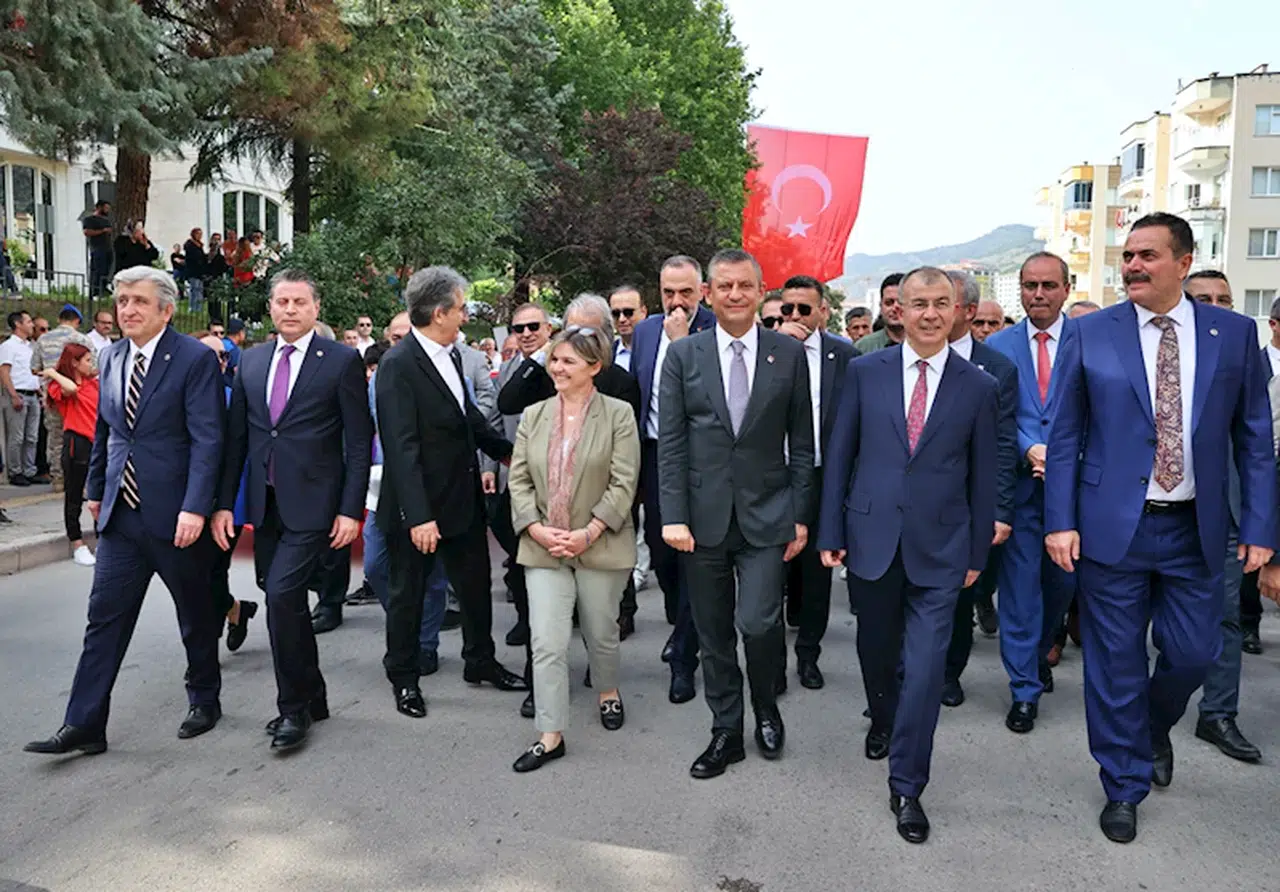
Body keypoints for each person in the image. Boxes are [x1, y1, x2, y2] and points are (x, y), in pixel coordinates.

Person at [1045, 212, 1276, 844]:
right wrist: (1059, 521)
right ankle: (1123, 783)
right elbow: (1064, 436)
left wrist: (1260, 525)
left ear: (1183, 260)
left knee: (1194, 652)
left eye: (1147, 254)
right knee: (1115, 662)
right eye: (1127, 256)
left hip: (1196, 529)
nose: (1133, 267)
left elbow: (1253, 438)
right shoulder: (1092, 334)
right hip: (1111, 528)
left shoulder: (1233, 334)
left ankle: (1150, 729)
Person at [817, 266, 997, 844]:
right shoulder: (865, 373)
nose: (928, 313)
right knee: (877, 652)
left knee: (923, 670)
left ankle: (908, 784)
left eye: (940, 303)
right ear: (899, 308)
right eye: (917, 302)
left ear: (958, 310)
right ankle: (885, 718)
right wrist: (830, 531)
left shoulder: (979, 386)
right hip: (870, 540)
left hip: (941, 548)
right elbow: (840, 455)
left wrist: (975, 550)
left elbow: (983, 477)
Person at [23, 266, 226, 756]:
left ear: (166, 309)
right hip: (121, 516)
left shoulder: (194, 359)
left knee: (195, 614)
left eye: (138, 301)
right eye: (122, 300)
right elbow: (107, 431)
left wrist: (197, 507)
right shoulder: (109, 357)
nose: (127, 310)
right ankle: (85, 724)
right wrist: (96, 487)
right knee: (103, 619)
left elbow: (207, 438)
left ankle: (204, 698)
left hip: (177, 515)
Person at [659, 248, 814, 780]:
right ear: (708, 292)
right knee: (713, 632)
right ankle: (726, 729)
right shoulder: (683, 356)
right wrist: (672, 514)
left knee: (759, 622)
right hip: (701, 521)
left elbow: (803, 443)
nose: (734, 295)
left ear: (760, 290)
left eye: (744, 285)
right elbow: (672, 444)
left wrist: (800, 513)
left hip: (768, 515)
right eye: (723, 286)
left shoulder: (788, 355)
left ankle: (766, 704)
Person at [212, 269, 371, 753]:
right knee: (279, 595)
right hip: (267, 505)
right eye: (281, 301)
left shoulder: (340, 361)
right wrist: (224, 506)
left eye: (299, 301)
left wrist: (350, 510)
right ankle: (315, 693)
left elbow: (359, 442)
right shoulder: (252, 361)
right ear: (271, 307)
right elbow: (238, 439)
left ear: (315, 308)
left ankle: (293, 709)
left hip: (316, 505)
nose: (289, 309)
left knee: (282, 596)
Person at [375, 266, 524, 721]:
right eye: (460, 309)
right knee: (409, 597)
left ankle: (479, 661)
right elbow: (401, 447)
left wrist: (507, 453)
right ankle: (404, 678)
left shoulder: (453, 355)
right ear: (439, 313)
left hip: (461, 502)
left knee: (476, 588)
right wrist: (419, 516)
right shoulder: (397, 366)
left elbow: (467, 419)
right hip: (416, 510)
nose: (465, 316)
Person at [507, 326, 640, 772]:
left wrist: (590, 531)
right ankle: (550, 734)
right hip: (544, 546)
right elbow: (519, 479)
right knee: (546, 641)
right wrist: (536, 528)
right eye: (555, 359)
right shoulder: (534, 415)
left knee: (601, 633)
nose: (556, 367)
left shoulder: (619, 414)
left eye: (567, 361)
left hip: (600, 544)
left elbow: (625, 481)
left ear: (594, 367)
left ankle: (607, 691)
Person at [984, 252, 1078, 734]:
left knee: (1060, 587)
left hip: (1075, 494)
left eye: (1047, 285)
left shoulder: (1090, 341)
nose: (1037, 295)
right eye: (1028, 286)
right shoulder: (998, 347)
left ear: (1066, 288)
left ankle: (1041, 652)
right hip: (1019, 491)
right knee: (1019, 593)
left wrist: (1061, 454)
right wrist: (1030, 449)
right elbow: (999, 415)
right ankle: (1023, 689)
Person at [1182, 271, 1263, 763]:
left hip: (1224, 511)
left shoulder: (1241, 354)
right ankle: (1149, 716)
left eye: (1224, 299)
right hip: (1154, 511)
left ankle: (1217, 714)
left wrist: (1259, 525)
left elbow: (1257, 449)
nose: (1217, 306)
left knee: (1225, 617)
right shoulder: (1157, 358)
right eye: (1204, 299)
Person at [630, 255, 718, 704]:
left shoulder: (715, 329)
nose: (677, 301)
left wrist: (684, 345)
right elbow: (635, 394)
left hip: (702, 460)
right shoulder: (645, 331)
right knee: (661, 551)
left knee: (694, 556)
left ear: (702, 290)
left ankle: (684, 657)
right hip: (652, 453)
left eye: (686, 292)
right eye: (668, 293)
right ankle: (682, 618)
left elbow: (713, 398)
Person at [774, 275, 858, 688]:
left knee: (816, 570)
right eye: (787, 308)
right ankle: (770, 659)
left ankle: (808, 653)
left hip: (824, 476)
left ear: (823, 312)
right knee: (770, 567)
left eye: (803, 309)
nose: (795, 317)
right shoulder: (763, 350)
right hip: (772, 476)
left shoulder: (844, 356)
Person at [940, 271, 1018, 707]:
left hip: (969, 504)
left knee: (958, 595)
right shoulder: (901, 360)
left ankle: (950, 673)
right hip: (913, 502)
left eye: (943, 302)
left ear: (968, 312)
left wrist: (1000, 511)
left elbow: (1004, 445)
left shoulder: (998, 369)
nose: (931, 312)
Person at [195, 332, 258, 654]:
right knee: (195, 579)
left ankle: (204, 656)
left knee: (212, 572)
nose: (213, 362)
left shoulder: (235, 400)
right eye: (203, 355)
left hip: (224, 505)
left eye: (220, 356)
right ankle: (235, 610)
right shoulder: (176, 395)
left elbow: (241, 459)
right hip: (185, 507)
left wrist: (233, 507)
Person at [39, 343, 100, 566]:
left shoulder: (94, 384)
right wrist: (53, 372)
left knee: (98, 495)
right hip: (77, 442)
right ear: (74, 362)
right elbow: (71, 390)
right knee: (74, 495)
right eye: (86, 360)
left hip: (97, 443)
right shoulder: (59, 386)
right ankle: (77, 542)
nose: (90, 364)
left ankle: (101, 538)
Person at [30, 305, 95, 493]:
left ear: (59, 319)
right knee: (80, 437)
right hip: (78, 396)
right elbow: (92, 369)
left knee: (56, 438)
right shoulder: (83, 340)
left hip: (53, 395)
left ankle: (58, 478)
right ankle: (78, 481)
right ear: (77, 321)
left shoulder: (43, 339)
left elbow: (35, 368)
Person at [0, 310, 42, 486]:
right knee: (17, 437)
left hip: (33, 393)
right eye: (28, 321)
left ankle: (29, 469)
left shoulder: (30, 346)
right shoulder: (8, 346)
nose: (32, 325)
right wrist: (13, 394)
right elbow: (4, 371)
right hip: (18, 394)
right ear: (18, 324)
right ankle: (15, 471)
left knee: (31, 436)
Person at [854, 274, 905, 353]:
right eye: (889, 303)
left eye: (901, 302)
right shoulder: (863, 347)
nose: (895, 308)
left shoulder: (926, 345)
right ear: (880, 306)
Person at [608, 285, 647, 371]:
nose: (622, 319)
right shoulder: (607, 356)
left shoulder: (658, 350)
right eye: (616, 313)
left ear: (643, 312)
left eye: (628, 312)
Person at [83, 201, 113, 297]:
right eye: (106, 208)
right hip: (97, 248)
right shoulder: (90, 219)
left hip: (107, 248)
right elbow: (87, 232)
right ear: (99, 207)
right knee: (97, 270)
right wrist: (102, 231)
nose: (107, 210)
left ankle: (103, 288)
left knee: (106, 269)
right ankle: (94, 291)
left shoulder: (106, 220)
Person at [183, 229, 209, 312]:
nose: (200, 236)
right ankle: (193, 307)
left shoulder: (200, 245)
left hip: (200, 271)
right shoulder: (190, 245)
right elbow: (193, 257)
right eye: (198, 234)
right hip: (193, 270)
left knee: (199, 290)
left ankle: (199, 308)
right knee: (194, 289)